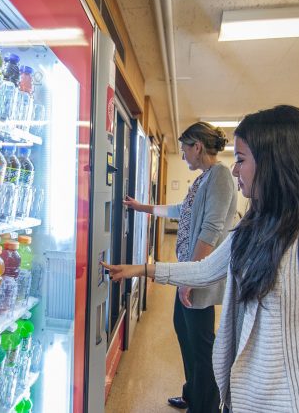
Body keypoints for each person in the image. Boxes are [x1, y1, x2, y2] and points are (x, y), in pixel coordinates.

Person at [104, 105, 299, 413]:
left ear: (274, 162)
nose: (234, 170)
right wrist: (139, 269)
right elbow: (207, 268)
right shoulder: (256, 225)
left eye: (242, 160)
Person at [124, 121, 237, 412]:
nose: (184, 155)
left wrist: (193, 278)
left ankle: (205, 406)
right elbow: (180, 211)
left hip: (197, 275)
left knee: (201, 345)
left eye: (185, 149)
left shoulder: (220, 176)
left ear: (197, 146)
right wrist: (143, 208)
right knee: (184, 331)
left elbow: (210, 230)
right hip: (187, 273)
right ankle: (192, 394)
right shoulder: (203, 178)